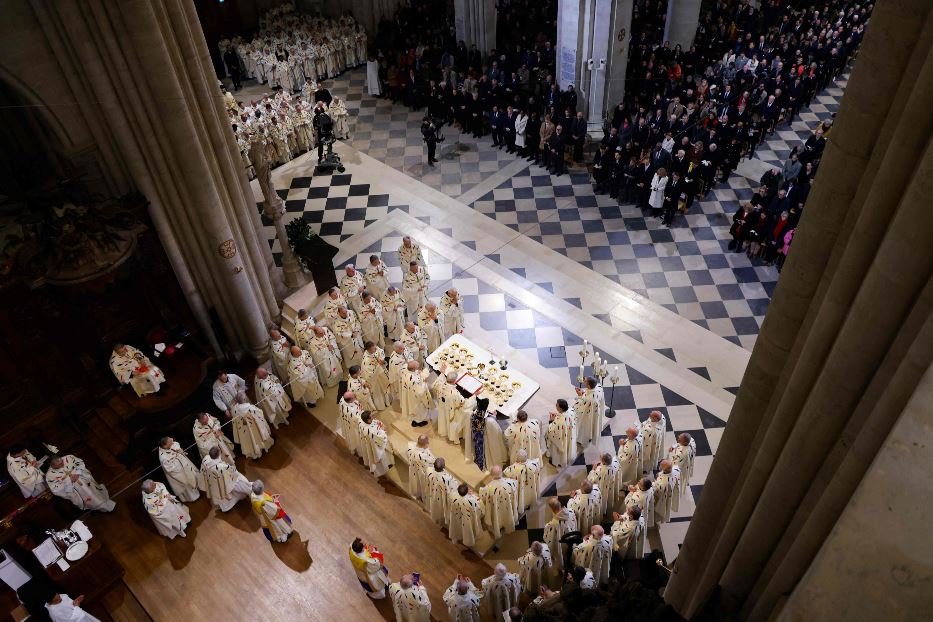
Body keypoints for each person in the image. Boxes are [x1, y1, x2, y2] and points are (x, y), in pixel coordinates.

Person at [46, 454, 115, 512]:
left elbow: (80, 463)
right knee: (89, 497)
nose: (62, 464)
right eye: (59, 465)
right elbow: (55, 489)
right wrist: (68, 481)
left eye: (62, 462)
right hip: (74, 490)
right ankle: (98, 506)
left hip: (83, 478)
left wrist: (77, 473)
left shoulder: (69, 457)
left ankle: (103, 504)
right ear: (53, 466)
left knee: (93, 491)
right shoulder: (49, 475)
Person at [201, 446, 252, 512]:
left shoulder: (205, 459)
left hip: (213, 483)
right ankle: (248, 491)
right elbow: (233, 472)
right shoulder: (222, 466)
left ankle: (226, 508)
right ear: (219, 454)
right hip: (224, 482)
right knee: (240, 480)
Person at [479, 466, 519, 540]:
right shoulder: (510, 482)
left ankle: (498, 528)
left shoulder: (488, 488)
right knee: (508, 515)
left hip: (495, 510)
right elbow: (515, 488)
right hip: (507, 507)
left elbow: (482, 496)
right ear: (501, 473)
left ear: (491, 475)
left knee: (496, 518)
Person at [467, 397, 507, 470]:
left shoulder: (474, 414)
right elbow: (495, 428)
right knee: (486, 451)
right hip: (484, 437)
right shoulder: (488, 420)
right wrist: (494, 416)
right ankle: (485, 463)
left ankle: (479, 461)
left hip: (476, 436)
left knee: (478, 449)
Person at [231, 392, 274, 459]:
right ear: (244, 399)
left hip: (244, 430)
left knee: (251, 440)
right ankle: (265, 447)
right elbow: (260, 413)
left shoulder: (234, 410)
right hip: (255, 427)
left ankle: (256, 453)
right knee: (259, 437)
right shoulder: (250, 408)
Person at [158, 437, 203, 501]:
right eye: (170, 442)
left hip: (185, 465)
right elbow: (170, 469)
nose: (172, 440)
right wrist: (177, 457)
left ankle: (199, 488)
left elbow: (176, 444)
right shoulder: (163, 458)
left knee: (193, 475)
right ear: (165, 445)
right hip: (180, 472)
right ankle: (194, 497)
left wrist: (178, 450)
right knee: (187, 483)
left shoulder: (170, 444)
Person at [543, 498, 578, 575]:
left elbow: (549, 540)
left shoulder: (552, 524)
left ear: (551, 509)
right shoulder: (571, 512)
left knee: (558, 555)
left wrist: (550, 552)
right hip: (572, 540)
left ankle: (560, 569)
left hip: (561, 545)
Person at [358, 411, 394, 477]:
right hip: (377, 446)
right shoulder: (371, 431)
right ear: (368, 420)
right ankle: (386, 468)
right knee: (383, 457)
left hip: (371, 441)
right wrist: (382, 430)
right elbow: (380, 440)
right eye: (371, 416)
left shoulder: (363, 423)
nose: (373, 416)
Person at [586, 453, 621, 518]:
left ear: (603, 462)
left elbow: (590, 479)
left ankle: (602, 511)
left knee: (603, 498)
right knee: (608, 495)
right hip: (611, 484)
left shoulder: (600, 470)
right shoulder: (615, 461)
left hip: (602, 486)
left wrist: (593, 469)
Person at [545, 398, 577, 467]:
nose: (555, 405)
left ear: (561, 408)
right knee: (567, 446)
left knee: (557, 448)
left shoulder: (560, 422)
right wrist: (558, 416)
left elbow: (552, 432)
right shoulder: (571, 411)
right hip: (569, 435)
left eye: (557, 405)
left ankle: (558, 461)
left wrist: (551, 421)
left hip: (561, 438)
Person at [426, 458, 459, 525]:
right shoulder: (447, 478)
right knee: (443, 505)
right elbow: (455, 484)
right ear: (444, 467)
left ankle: (437, 517)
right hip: (443, 496)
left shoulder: (429, 471)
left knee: (436, 505)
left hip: (434, 493)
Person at [361, 341, 392, 410]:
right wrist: (379, 365)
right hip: (376, 380)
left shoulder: (375, 349)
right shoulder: (366, 360)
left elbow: (380, 351)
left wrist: (382, 361)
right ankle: (381, 406)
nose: (375, 349)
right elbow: (369, 373)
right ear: (369, 350)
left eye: (375, 347)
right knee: (379, 392)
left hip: (382, 374)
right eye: (373, 349)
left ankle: (388, 401)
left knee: (385, 389)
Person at [400, 361, 432, 427]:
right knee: (419, 410)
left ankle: (415, 420)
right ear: (414, 369)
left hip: (409, 394)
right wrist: (424, 382)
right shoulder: (413, 380)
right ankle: (419, 422)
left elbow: (412, 370)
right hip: (416, 399)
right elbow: (420, 392)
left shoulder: (405, 371)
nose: (419, 368)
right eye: (417, 367)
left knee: (413, 409)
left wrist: (418, 372)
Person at [406, 435, 435, 501]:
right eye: (427, 443)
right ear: (424, 444)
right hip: (421, 472)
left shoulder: (410, 445)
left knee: (415, 482)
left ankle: (417, 493)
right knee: (422, 485)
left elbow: (407, 454)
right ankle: (424, 497)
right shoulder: (422, 456)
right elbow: (431, 462)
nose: (428, 444)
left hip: (413, 469)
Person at [669, 432, 697, 497]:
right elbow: (679, 444)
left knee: (678, 480)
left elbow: (674, 464)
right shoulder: (691, 441)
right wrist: (674, 446)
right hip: (685, 463)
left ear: (684, 443)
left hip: (681, 467)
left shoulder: (681, 453)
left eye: (680, 439)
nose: (678, 438)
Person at [653, 459, 680, 524]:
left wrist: (653, 483)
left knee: (661, 506)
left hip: (663, 496)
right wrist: (659, 474)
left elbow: (657, 490)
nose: (660, 466)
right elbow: (676, 466)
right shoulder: (676, 471)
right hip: (669, 492)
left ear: (664, 469)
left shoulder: (664, 483)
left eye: (661, 466)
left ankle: (657, 518)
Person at [338, 392, 363, 457]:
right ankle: (361, 453)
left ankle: (352, 449)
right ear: (350, 400)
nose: (355, 395)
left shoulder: (342, 400)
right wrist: (361, 409)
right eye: (354, 396)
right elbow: (359, 419)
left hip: (347, 424)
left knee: (350, 438)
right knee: (356, 439)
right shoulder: (350, 411)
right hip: (353, 427)